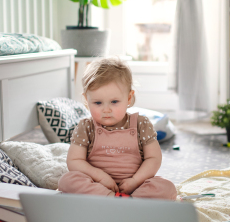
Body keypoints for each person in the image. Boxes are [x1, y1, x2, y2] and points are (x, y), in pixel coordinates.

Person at [58, 58, 177, 200]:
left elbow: (154, 158)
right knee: (67, 181)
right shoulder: (86, 127)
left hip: (136, 186)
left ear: (128, 98)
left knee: (167, 188)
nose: (106, 110)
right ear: (86, 100)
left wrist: (135, 181)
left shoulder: (141, 124)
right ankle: (112, 200)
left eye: (114, 102)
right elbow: (74, 161)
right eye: (97, 103)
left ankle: (130, 201)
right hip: (97, 186)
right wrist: (100, 177)